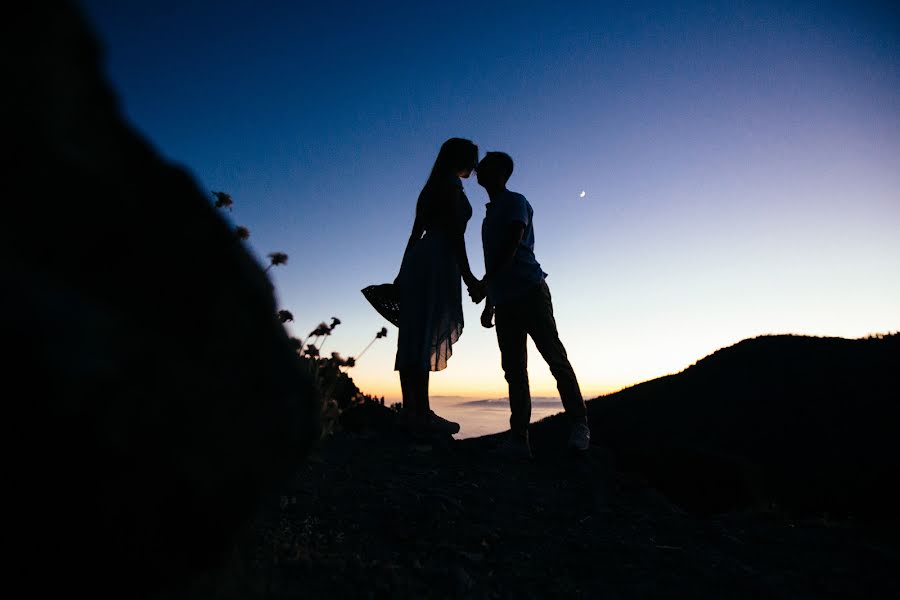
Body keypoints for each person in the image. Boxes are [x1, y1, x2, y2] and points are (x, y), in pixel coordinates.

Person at [472, 151, 591, 458]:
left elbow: (513, 244)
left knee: (554, 357)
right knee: (514, 370)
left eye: (485, 163)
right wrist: (490, 303)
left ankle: (579, 425)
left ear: (500, 171)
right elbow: (494, 259)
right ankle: (519, 438)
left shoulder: (514, 201)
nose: (478, 167)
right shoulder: (488, 215)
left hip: (530, 291)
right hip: (506, 301)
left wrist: (486, 285)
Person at [394, 138, 481, 437]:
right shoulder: (450, 186)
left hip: (421, 259)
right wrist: (469, 276)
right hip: (439, 260)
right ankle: (422, 414)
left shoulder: (431, 186)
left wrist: (402, 270)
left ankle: (413, 411)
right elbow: (457, 234)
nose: (476, 165)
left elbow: (415, 233)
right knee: (426, 330)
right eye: (473, 159)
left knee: (415, 332)